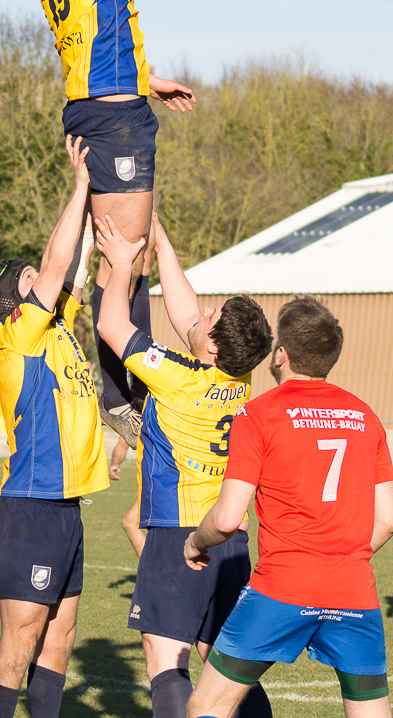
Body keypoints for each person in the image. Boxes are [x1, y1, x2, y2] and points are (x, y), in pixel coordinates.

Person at [93, 213, 274, 718]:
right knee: (223, 666)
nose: (204, 311)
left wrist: (123, 263)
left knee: (165, 658)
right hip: (230, 537)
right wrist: (162, 239)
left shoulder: (178, 376)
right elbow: (187, 313)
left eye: (213, 316)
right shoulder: (239, 377)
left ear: (212, 345)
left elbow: (111, 325)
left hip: (180, 534)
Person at [183, 297, 393, 718]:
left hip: (282, 587)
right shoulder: (366, 416)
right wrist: (338, 557)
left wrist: (195, 542)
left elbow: (226, 519)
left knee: (207, 705)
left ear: (280, 354)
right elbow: (389, 520)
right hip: (354, 590)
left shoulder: (259, 413)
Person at [41, 0, 198, 449]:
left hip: (103, 107)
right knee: (124, 255)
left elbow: (92, 38)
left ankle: (130, 390)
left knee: (134, 253)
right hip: (114, 122)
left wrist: (146, 79)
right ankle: (121, 396)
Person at [0, 135, 101, 718]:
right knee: (20, 642)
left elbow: (77, 263)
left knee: (60, 639)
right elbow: (56, 263)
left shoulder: (56, 329)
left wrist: (104, 196)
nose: (43, 276)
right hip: (30, 507)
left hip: (64, 505)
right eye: (29, 277)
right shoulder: (17, 336)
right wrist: (79, 184)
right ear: (15, 300)